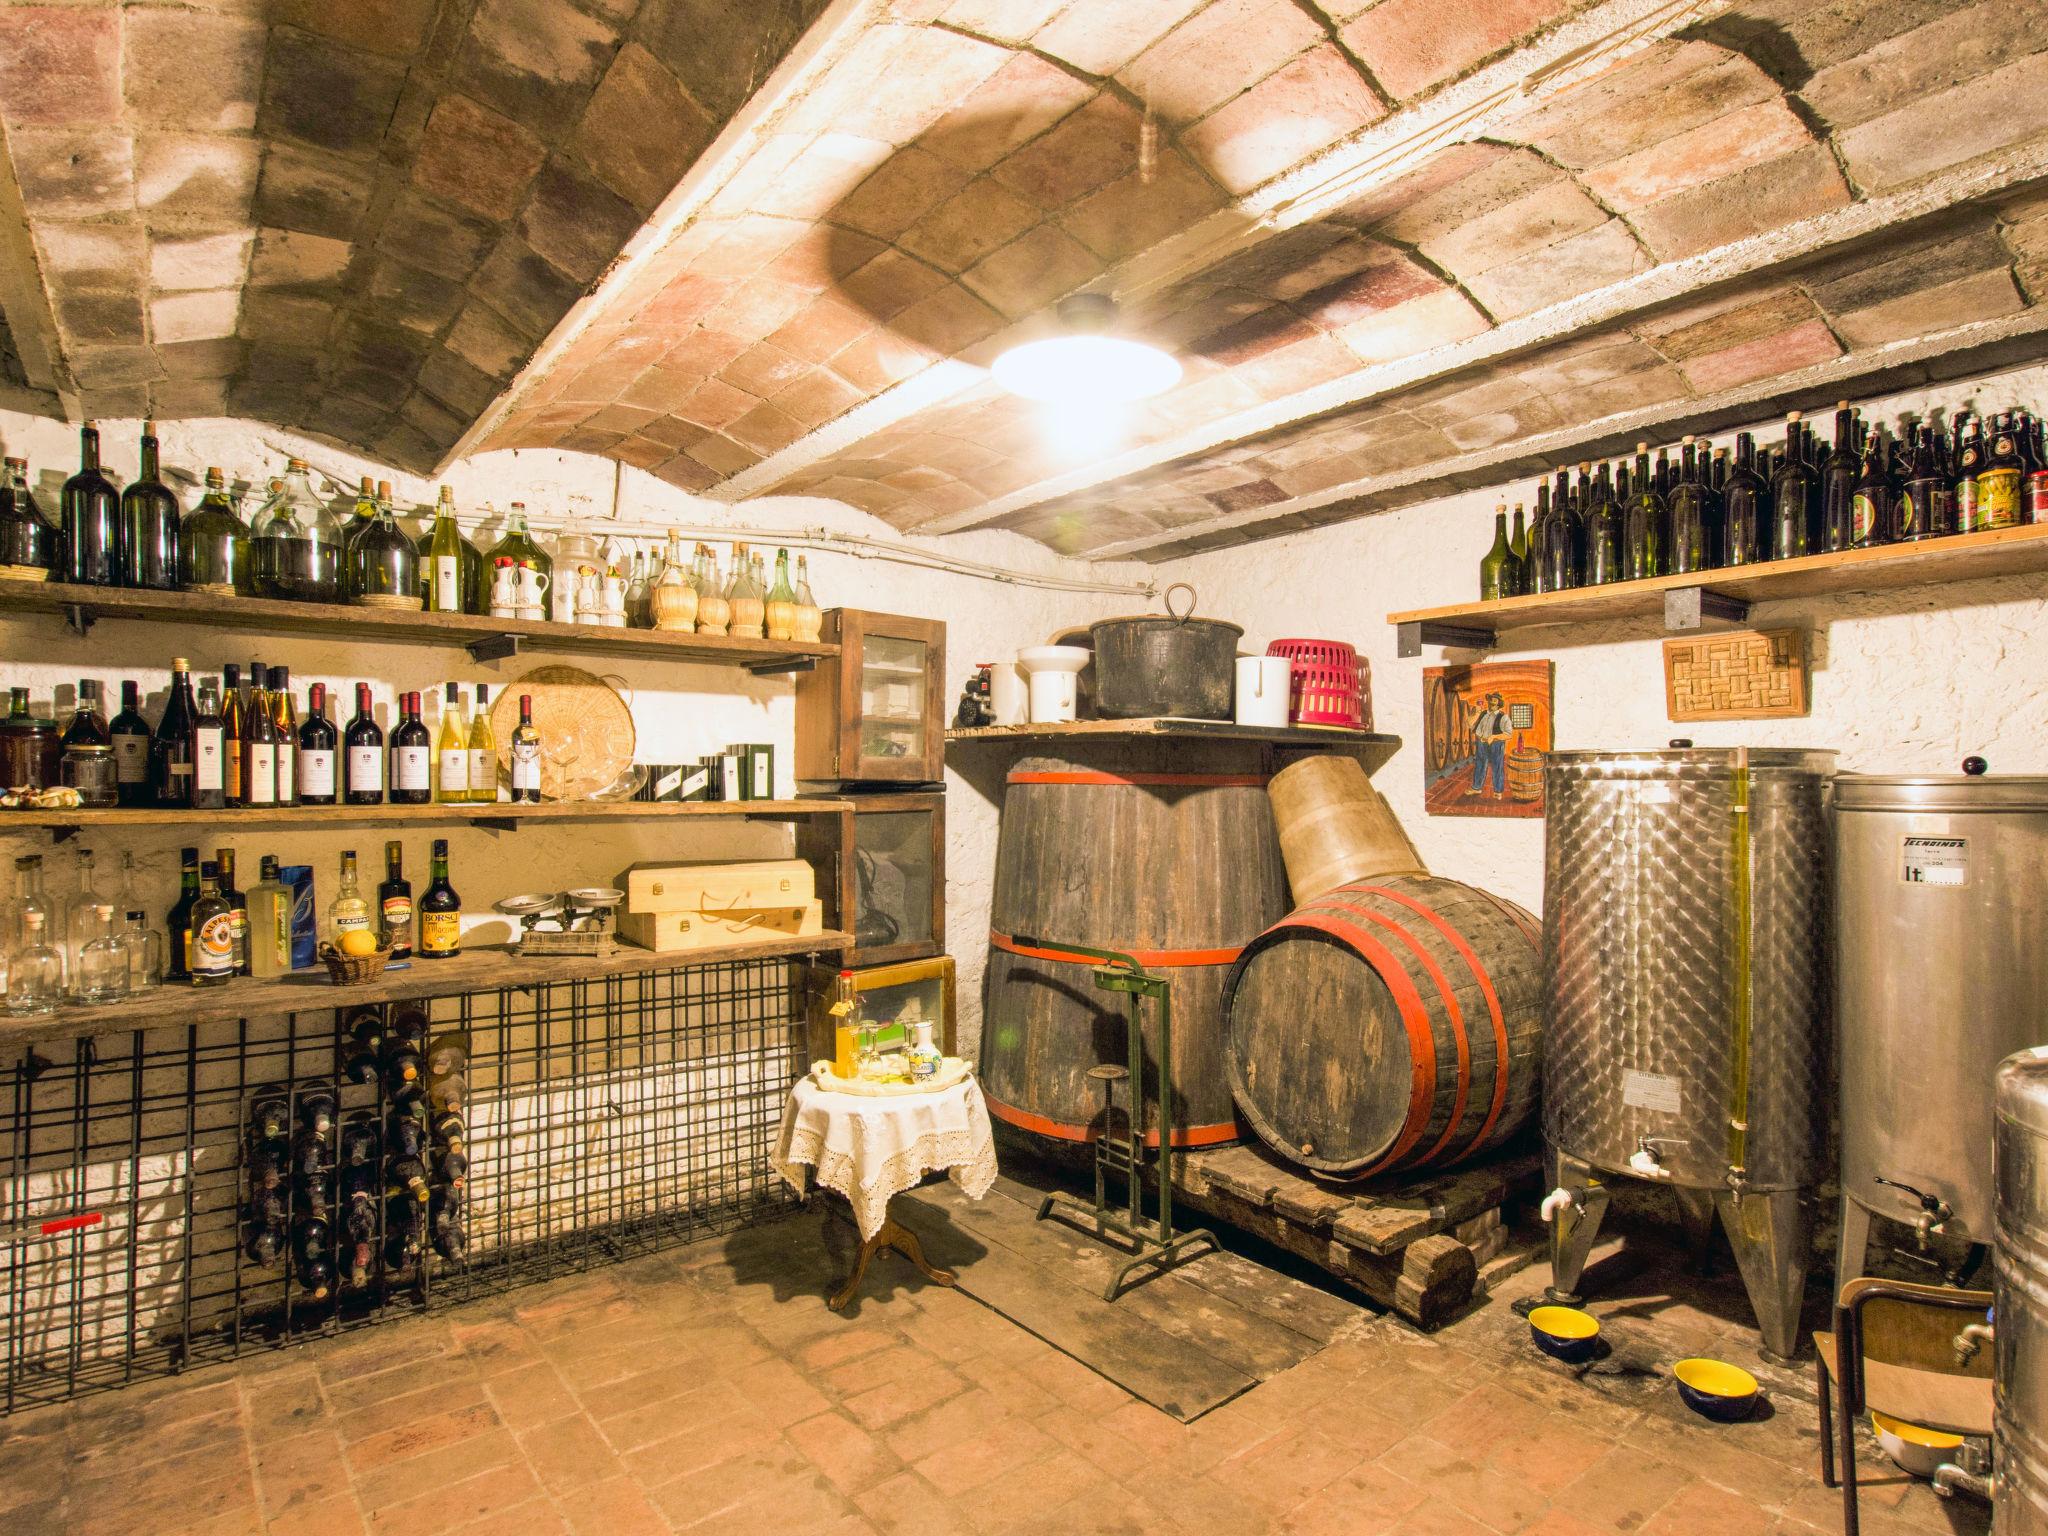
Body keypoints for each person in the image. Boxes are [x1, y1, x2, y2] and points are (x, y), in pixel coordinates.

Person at [1470, 691, 1511, 797]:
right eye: (1491, 700)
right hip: (1481, 743)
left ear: (1499, 703)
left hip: (1496, 745)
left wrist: (1494, 737)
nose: (1492, 702)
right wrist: (1476, 713)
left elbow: (1508, 734)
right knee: (1479, 765)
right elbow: (1470, 726)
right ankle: (1476, 788)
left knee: (1497, 767)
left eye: (1494, 700)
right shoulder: (1483, 713)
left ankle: (1498, 792)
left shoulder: (1503, 717)